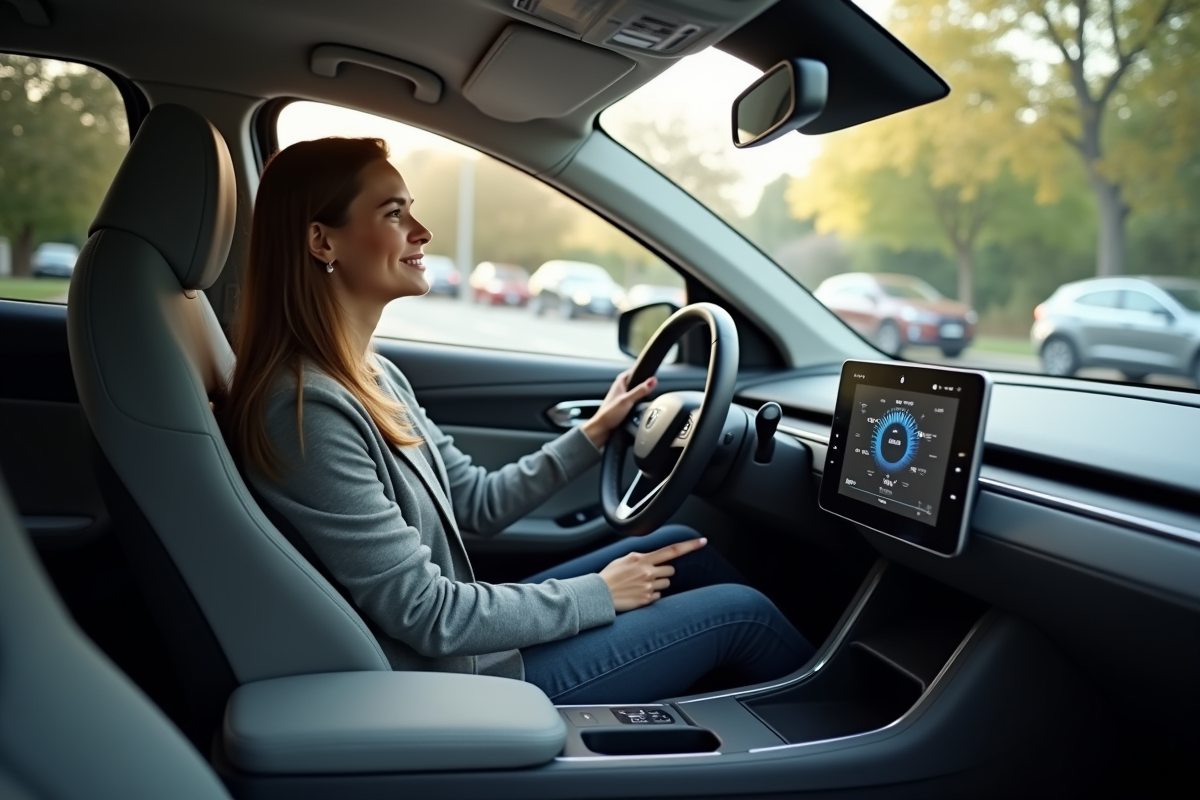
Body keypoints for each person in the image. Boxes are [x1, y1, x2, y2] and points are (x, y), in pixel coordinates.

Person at [221, 136, 812, 704]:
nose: (422, 232)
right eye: (394, 213)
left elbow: (475, 500)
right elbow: (428, 614)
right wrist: (599, 593)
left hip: (462, 652)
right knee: (742, 614)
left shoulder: (372, 373)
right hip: (448, 684)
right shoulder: (308, 410)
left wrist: (595, 433)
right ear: (323, 242)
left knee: (682, 548)